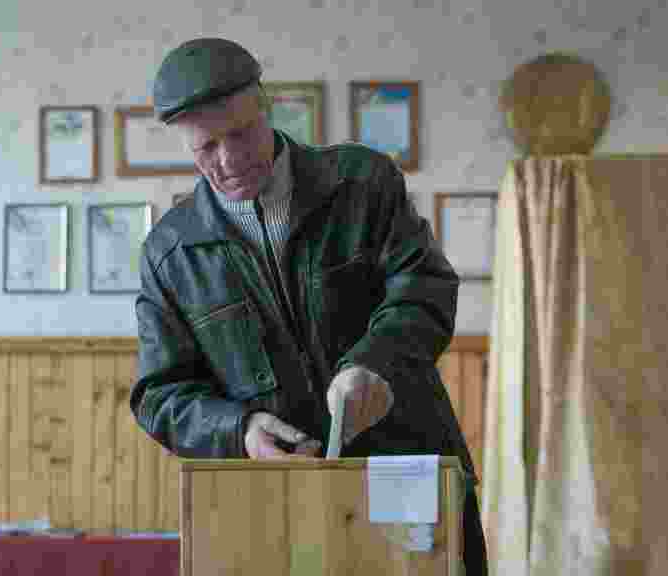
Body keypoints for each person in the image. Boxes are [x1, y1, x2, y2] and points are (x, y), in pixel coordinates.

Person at [130, 37, 488, 574]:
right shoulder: (169, 253)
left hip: (405, 474)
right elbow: (159, 394)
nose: (229, 159)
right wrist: (240, 429)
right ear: (184, 142)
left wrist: (376, 363)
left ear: (266, 106)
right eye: (206, 147)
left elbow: (424, 285)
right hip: (275, 504)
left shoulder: (362, 182)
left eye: (241, 133)